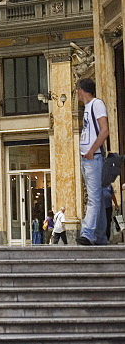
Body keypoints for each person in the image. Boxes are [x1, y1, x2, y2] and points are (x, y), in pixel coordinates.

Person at [76, 77, 109, 246]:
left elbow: (104, 131)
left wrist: (90, 151)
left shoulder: (97, 104)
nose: (77, 95)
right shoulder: (89, 107)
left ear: (81, 90)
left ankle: (88, 233)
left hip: (93, 158)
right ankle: (101, 237)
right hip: (88, 159)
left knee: (94, 198)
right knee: (98, 198)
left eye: (77, 91)